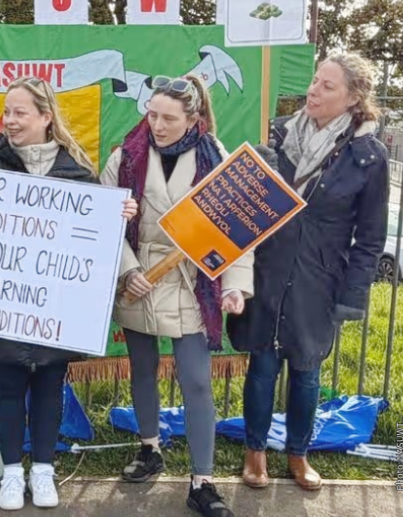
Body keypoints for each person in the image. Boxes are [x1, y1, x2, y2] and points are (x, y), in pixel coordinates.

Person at [0, 77, 137, 511]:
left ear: (46, 117)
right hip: (4, 305)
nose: (10, 121)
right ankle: (10, 473)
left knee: (48, 386)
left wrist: (119, 214)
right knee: (6, 389)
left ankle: (42, 470)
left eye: (20, 112)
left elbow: (95, 236)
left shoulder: (76, 171)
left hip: (53, 307)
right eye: (7, 112)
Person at [228, 53, 388, 491]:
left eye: (327, 86)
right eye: (315, 81)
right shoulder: (276, 134)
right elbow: (244, 209)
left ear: (353, 98)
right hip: (268, 271)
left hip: (320, 279)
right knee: (261, 365)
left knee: (307, 370)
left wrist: (352, 295)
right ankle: (255, 453)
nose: (313, 91)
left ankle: (298, 454)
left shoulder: (368, 156)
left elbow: (370, 236)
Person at [100, 74, 252, 517]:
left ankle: (202, 481)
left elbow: (238, 229)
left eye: (168, 118)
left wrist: (236, 286)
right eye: (152, 114)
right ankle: (150, 448)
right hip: (139, 278)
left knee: (197, 381)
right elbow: (104, 218)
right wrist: (128, 272)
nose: (158, 125)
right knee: (142, 368)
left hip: (192, 281)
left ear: (194, 119)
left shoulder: (217, 157)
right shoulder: (123, 157)